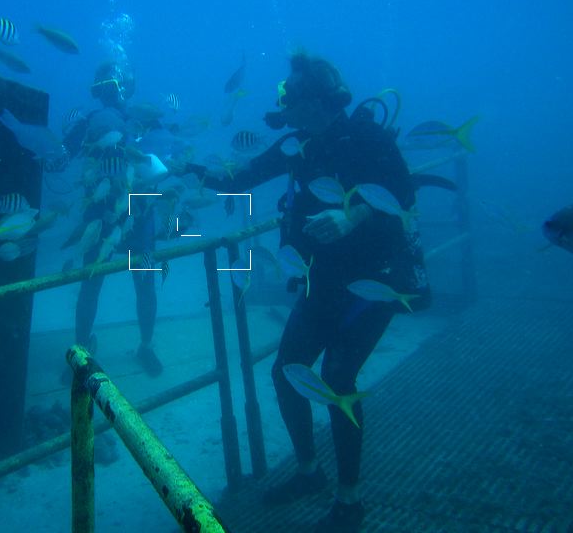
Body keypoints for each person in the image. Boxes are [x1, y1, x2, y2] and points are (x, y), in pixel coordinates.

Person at [180, 52, 430, 532]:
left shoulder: (368, 137)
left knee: (338, 378)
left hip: (374, 281)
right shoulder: (297, 144)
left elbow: (403, 192)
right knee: (286, 373)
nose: (281, 104)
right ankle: (310, 473)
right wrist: (187, 168)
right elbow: (244, 176)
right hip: (322, 280)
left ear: (314, 101)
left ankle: (349, 501)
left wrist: (350, 215)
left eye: (288, 96)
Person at [59, 60, 163, 377]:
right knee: (90, 282)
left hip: (138, 214)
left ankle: (145, 346)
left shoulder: (140, 119)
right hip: (100, 216)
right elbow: (62, 155)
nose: (106, 94)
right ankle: (81, 350)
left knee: (144, 283)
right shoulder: (87, 122)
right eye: (100, 88)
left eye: (110, 86)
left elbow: (163, 157)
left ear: (122, 88)